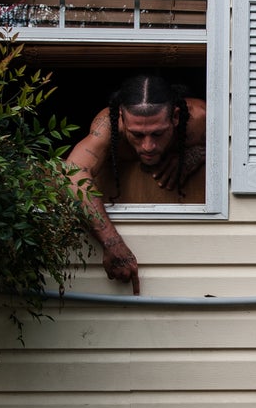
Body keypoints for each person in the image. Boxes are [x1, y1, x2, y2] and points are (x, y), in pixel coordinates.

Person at [66, 74, 206, 294]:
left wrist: (199, 153)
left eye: (157, 134)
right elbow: (72, 172)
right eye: (137, 135)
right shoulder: (108, 124)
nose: (148, 146)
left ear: (176, 117)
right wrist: (112, 243)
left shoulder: (200, 120)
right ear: (122, 118)